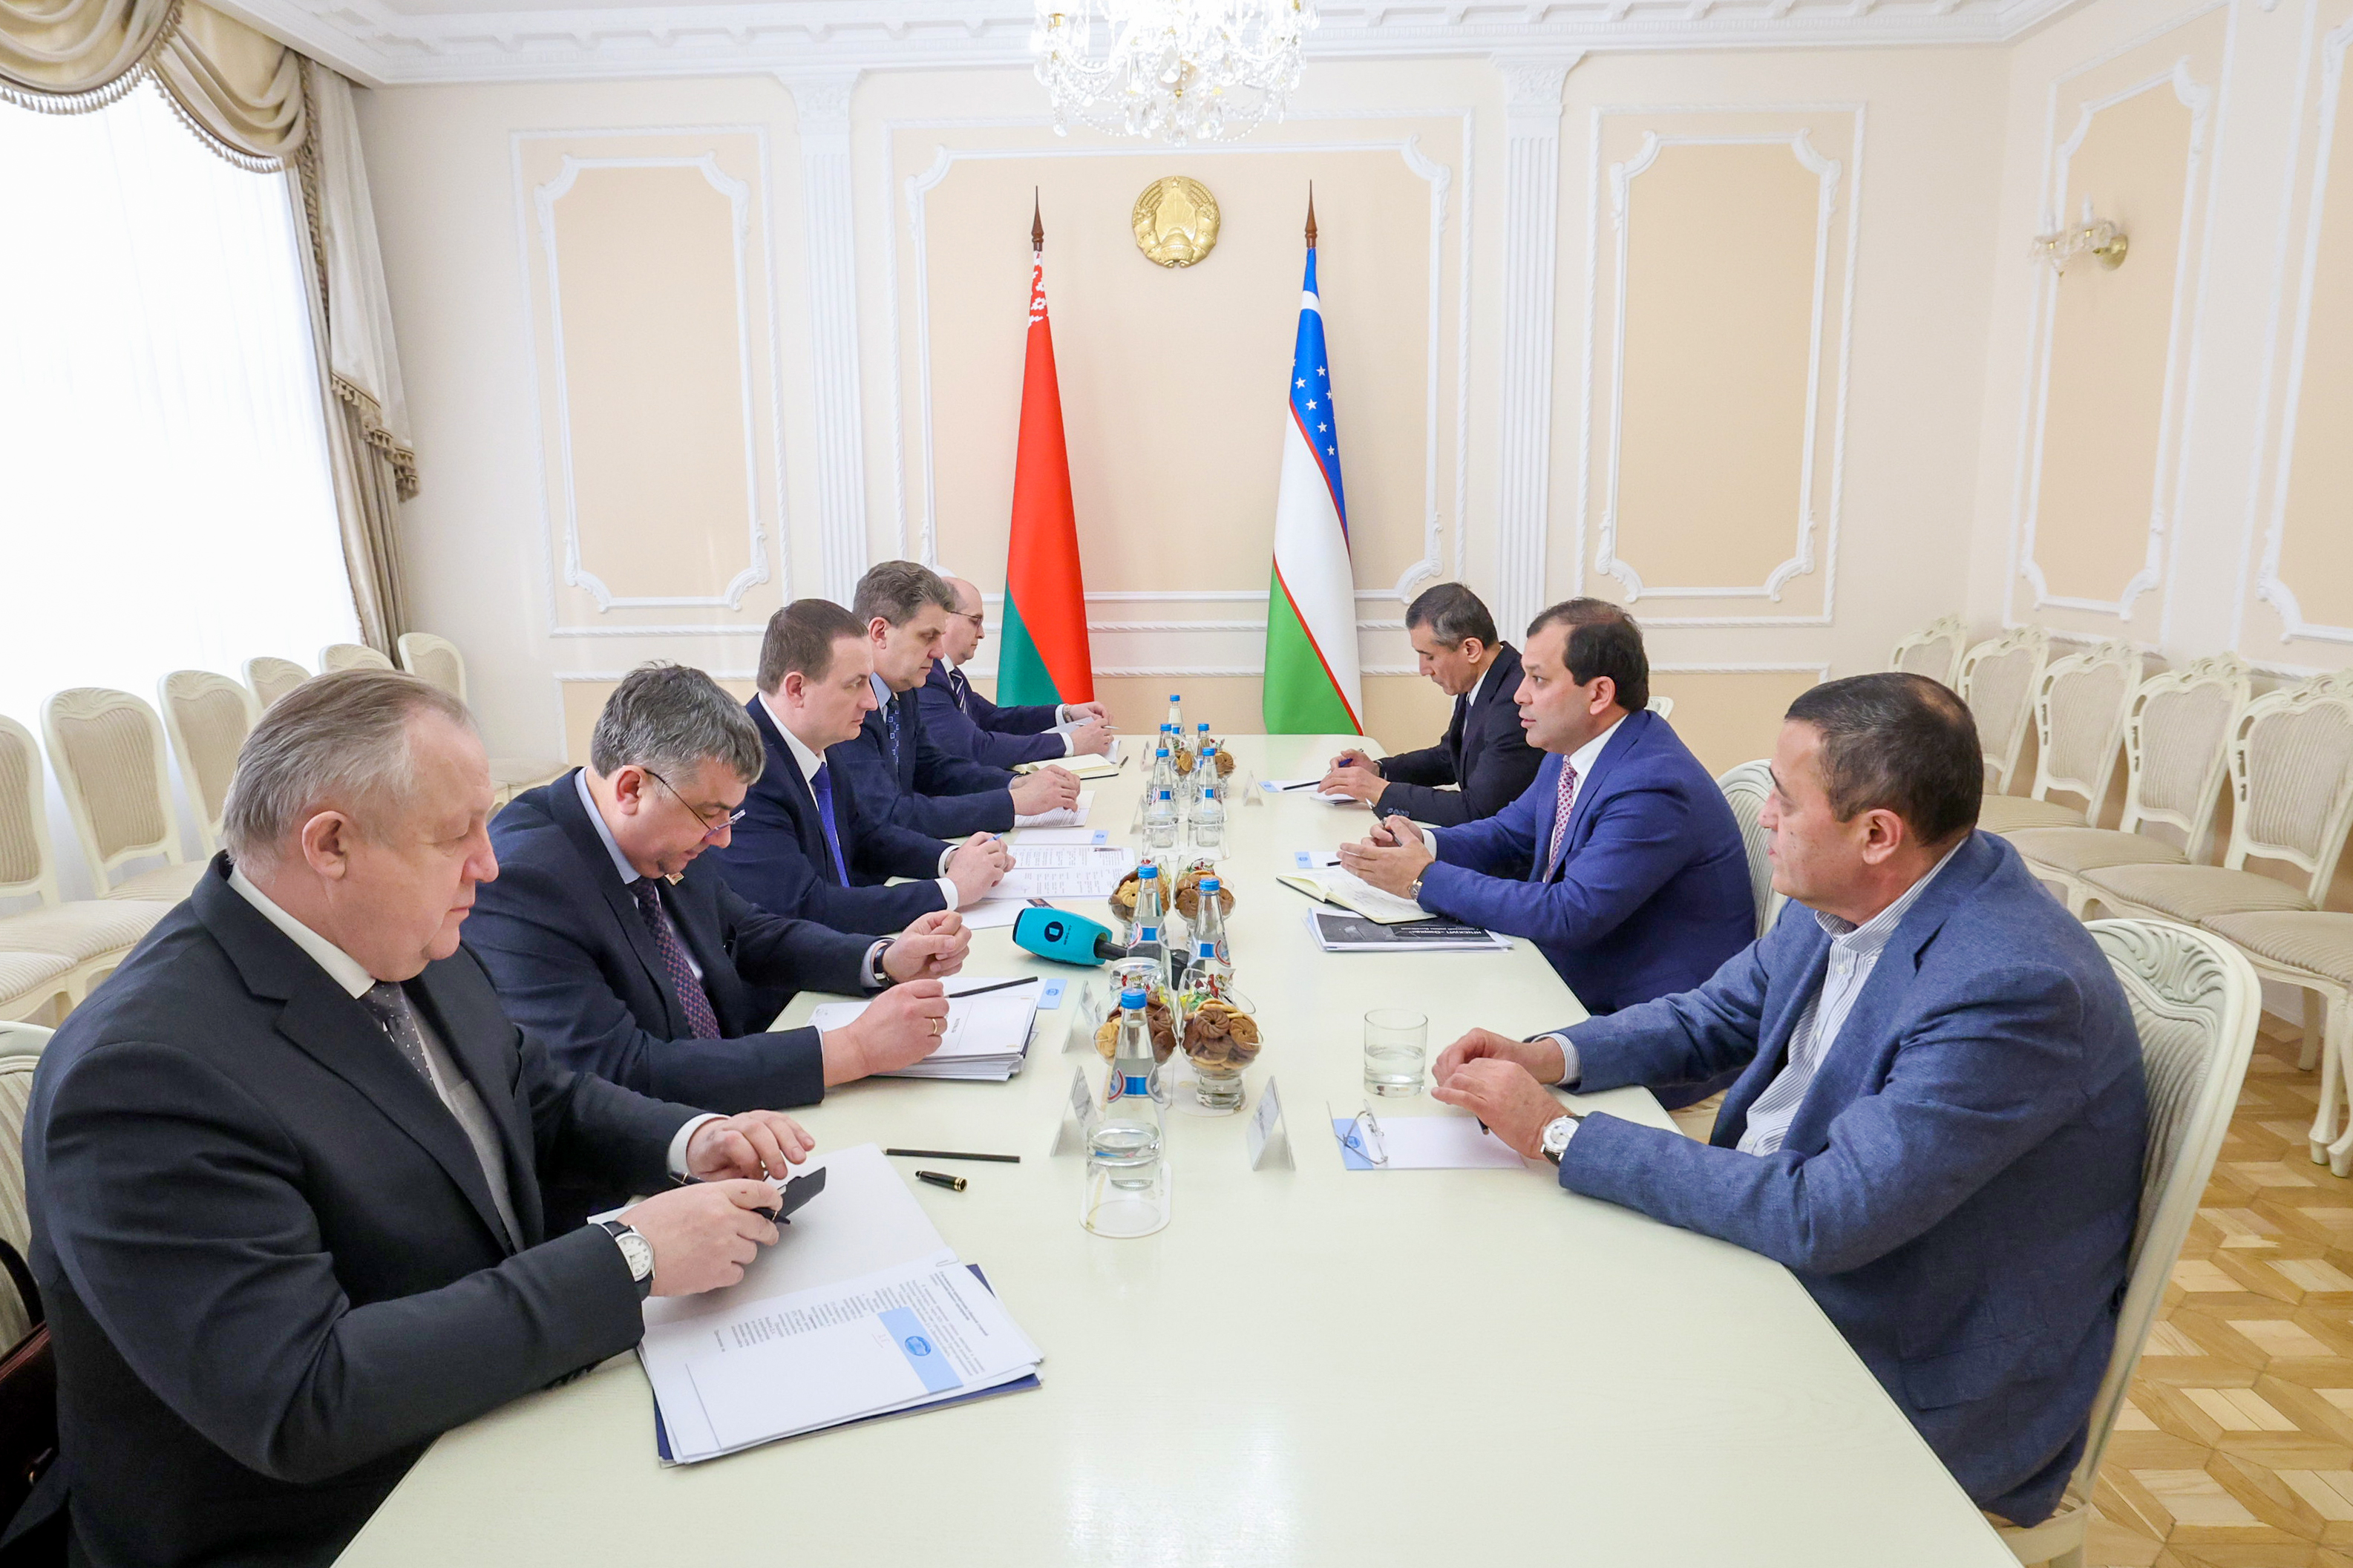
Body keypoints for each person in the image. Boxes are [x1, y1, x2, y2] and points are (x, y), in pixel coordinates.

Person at [22, 669, 825, 1568]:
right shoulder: (141, 1075)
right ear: (331, 844)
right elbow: (302, 1397)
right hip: (331, 1521)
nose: (490, 862)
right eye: (457, 835)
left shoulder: (399, 928)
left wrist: (687, 1138)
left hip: (482, 1407)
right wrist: (630, 1255)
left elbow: (534, 1090)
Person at [1427, 673, 2147, 1528]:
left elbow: (1826, 1213)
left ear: (1876, 833)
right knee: (1501, 1311)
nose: (1762, 817)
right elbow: (1713, 1015)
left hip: (1899, 1356)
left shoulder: (2010, 985)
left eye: (1783, 798)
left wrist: (1558, 1137)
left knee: (1557, 1421)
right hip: (1785, 1254)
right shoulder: (1856, 887)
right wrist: (1546, 1055)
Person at [468, 662, 964, 1119]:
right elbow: (621, 1071)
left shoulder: (666, 832)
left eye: (730, 815)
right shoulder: (523, 881)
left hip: (739, 1108)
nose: (722, 838)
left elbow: (748, 932)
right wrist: (851, 1049)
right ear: (631, 789)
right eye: (711, 814)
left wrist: (882, 958)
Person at [1337, 598, 1753, 1021]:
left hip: (1641, 1017)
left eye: (1538, 679)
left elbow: (1570, 914)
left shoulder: (1652, 785)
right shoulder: (1572, 748)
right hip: (1572, 973)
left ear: (1598, 694)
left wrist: (1422, 878)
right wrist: (1422, 842)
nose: (1519, 695)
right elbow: (1510, 833)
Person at [716, 598, 1013, 930]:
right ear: (797, 688)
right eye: (855, 684)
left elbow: (865, 835)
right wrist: (951, 890)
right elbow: (806, 907)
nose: (871, 702)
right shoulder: (744, 772)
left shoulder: (819, 739)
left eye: (869, 682)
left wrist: (950, 859)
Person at [833, 560, 1081, 837]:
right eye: (927, 637)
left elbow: (934, 769)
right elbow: (891, 815)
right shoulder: (849, 706)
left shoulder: (902, 690)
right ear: (880, 633)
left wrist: (1015, 783)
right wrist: (1013, 802)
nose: (939, 653)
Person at [1318, 582, 1542, 825]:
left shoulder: (1514, 699)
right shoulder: (1484, 678)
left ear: (1471, 649)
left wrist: (1379, 791)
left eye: (1430, 656)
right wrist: (1378, 770)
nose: (1423, 669)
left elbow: (1477, 810)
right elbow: (1449, 757)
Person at [919, 574, 1115, 768]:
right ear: (944, 618)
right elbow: (976, 749)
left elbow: (995, 719)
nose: (982, 633)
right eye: (975, 621)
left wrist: (1067, 713)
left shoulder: (951, 675)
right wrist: (1070, 743)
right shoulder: (926, 678)